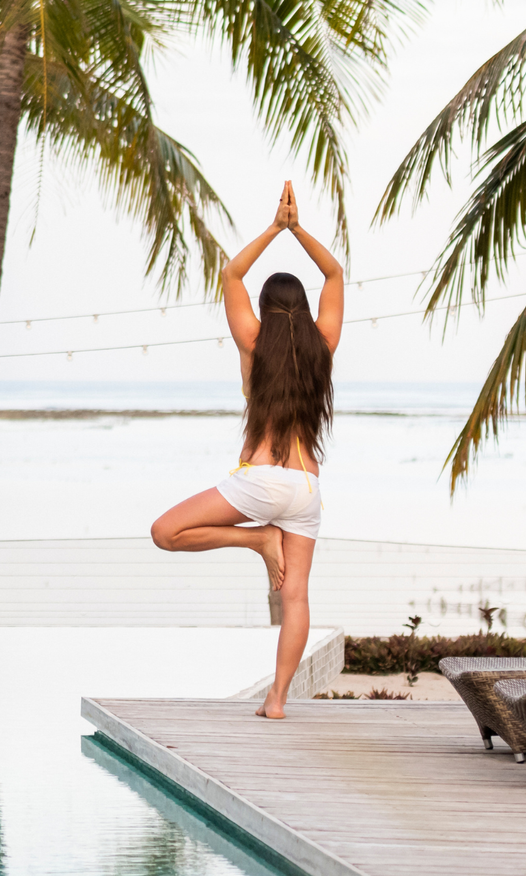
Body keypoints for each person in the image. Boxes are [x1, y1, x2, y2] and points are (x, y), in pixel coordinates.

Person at [148, 181, 343, 719]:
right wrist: (298, 230)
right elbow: (334, 275)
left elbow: (231, 274)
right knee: (297, 598)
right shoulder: (323, 346)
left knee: (165, 532)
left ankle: (258, 541)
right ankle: (276, 701)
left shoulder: (252, 345)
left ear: (262, 309)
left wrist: (275, 228)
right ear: (303, 310)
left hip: (259, 481)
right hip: (306, 489)